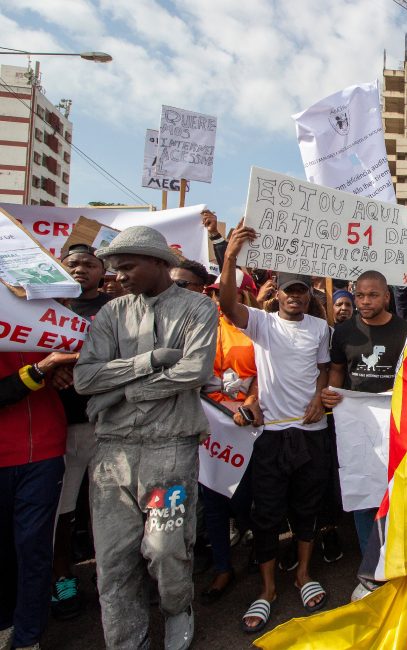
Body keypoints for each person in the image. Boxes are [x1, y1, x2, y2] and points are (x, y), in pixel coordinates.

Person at [74, 226, 218, 650]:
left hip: (169, 447)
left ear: (159, 263)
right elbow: (85, 378)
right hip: (112, 451)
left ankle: (177, 607)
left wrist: (121, 391)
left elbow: (194, 371)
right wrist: (149, 361)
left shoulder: (196, 309)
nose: (117, 276)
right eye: (114, 268)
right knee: (114, 559)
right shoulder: (110, 314)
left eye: (127, 266)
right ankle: (126, 639)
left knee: (165, 546)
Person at [220, 225, 332, 635]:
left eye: (302, 291)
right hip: (270, 437)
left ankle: (303, 575)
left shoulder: (321, 329)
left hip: (312, 434)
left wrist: (320, 397)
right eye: (289, 290)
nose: (295, 296)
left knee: (308, 508)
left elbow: (324, 369)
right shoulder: (261, 323)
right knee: (265, 515)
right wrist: (230, 257)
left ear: (309, 295)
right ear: (278, 293)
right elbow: (229, 306)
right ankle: (267, 591)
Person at [321, 270, 407, 553]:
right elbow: (336, 370)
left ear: (386, 296)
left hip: (395, 422)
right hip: (356, 423)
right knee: (363, 490)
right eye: (359, 295)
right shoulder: (344, 332)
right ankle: (370, 558)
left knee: (398, 492)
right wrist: (331, 395)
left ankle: (398, 556)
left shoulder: (405, 332)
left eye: (372, 295)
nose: (365, 301)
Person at [50, 244, 112, 620]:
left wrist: (68, 361)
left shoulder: (113, 308)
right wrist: (46, 371)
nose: (80, 269)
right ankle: (62, 577)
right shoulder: (48, 307)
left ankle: (110, 574)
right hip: (61, 425)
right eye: (72, 263)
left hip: (104, 423)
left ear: (102, 271)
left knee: (107, 508)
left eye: (89, 264)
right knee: (63, 509)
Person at [0, 350, 75, 650]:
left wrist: (64, 370)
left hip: (45, 452)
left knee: (34, 548)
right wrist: (42, 369)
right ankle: (6, 624)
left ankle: (28, 638)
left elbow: (71, 355)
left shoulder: (44, 311)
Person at [198, 270, 263, 604]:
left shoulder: (258, 329)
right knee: (211, 499)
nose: (217, 298)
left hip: (244, 426)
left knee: (242, 495)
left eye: (225, 292)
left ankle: (259, 544)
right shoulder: (199, 328)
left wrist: (250, 405)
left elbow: (264, 375)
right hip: (208, 424)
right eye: (214, 292)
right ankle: (223, 566)